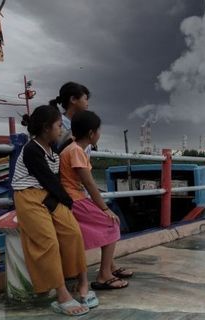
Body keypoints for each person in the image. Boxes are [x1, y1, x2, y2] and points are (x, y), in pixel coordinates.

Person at [12, 105, 98, 316]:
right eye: (58, 125)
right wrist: (66, 201)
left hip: (46, 195)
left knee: (72, 232)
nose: (61, 129)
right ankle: (61, 295)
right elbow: (47, 178)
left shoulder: (53, 152)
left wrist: (56, 202)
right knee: (47, 241)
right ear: (45, 128)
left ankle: (82, 282)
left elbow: (51, 182)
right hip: (27, 196)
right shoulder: (32, 150)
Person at [59, 110, 133, 290]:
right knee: (111, 224)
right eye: (98, 131)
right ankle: (104, 275)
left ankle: (110, 266)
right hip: (74, 200)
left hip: (72, 198)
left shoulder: (74, 149)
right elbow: (90, 184)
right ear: (91, 133)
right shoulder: (76, 151)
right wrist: (105, 209)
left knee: (107, 225)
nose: (99, 135)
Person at [49, 82, 91, 152]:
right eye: (85, 99)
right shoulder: (55, 126)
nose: (87, 104)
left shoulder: (83, 128)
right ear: (73, 99)